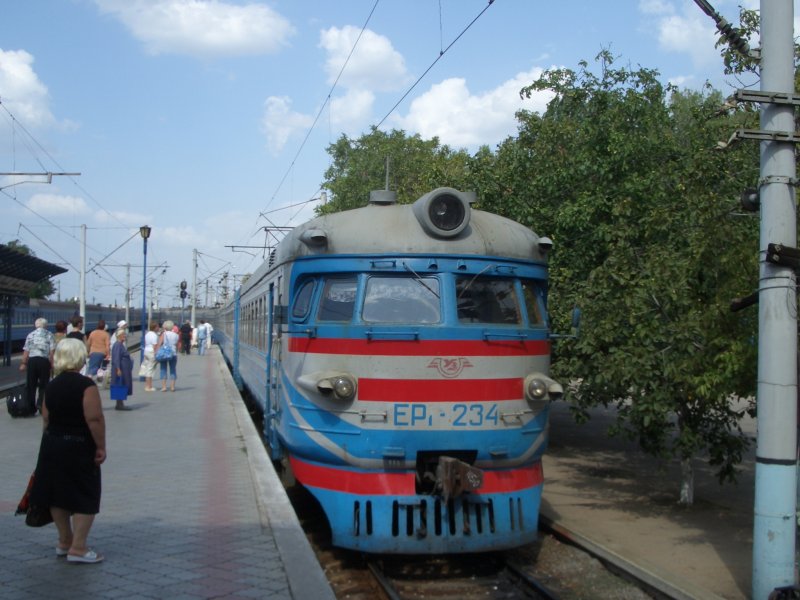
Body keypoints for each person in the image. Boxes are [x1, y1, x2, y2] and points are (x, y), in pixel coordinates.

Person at [29, 338, 106, 564]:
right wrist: (101, 446)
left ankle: (64, 542)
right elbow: (94, 418)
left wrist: (49, 442)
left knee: (57, 494)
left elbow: (46, 417)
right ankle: (79, 548)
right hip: (79, 446)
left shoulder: (51, 386)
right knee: (84, 494)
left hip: (52, 445)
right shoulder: (86, 386)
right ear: (80, 357)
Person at [19, 318, 56, 414]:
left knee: (31, 384)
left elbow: (26, 351)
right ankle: (41, 405)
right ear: (46, 325)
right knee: (44, 384)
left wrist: (23, 363)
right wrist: (52, 365)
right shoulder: (49, 334)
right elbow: (52, 352)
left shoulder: (30, 335)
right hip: (44, 361)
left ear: (36, 325)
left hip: (32, 361)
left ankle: (30, 407)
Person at [110, 329, 133, 411]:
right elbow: (116, 358)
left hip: (124, 369)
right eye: (123, 334)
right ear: (119, 336)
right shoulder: (117, 345)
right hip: (121, 369)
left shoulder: (120, 344)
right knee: (120, 385)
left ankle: (120, 403)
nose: (125, 336)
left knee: (121, 385)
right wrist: (118, 369)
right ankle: (119, 404)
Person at [156, 320, 179, 392]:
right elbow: (177, 345)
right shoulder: (176, 335)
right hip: (173, 353)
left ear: (165, 326)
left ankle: (164, 387)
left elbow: (159, 343)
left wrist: (156, 352)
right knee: (173, 370)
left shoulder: (164, 334)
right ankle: (172, 387)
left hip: (164, 354)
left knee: (163, 369)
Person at [141, 321, 159, 392]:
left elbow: (146, 343)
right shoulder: (154, 335)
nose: (158, 328)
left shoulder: (147, 334)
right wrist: (156, 354)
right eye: (157, 327)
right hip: (151, 352)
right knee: (150, 369)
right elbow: (155, 346)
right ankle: (148, 387)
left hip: (146, 351)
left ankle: (148, 385)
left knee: (147, 368)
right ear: (154, 328)